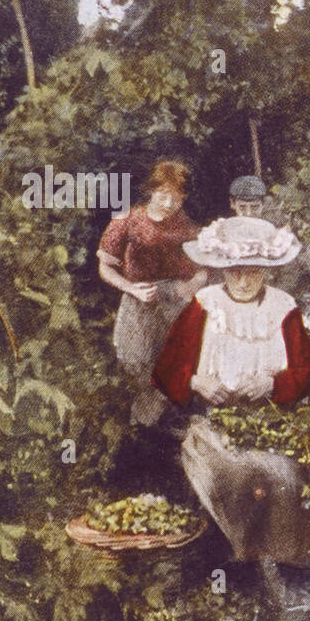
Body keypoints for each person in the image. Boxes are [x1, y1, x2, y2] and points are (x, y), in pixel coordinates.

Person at [151, 216, 310, 408]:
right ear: (223, 270)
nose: (243, 282)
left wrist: (272, 384)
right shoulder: (206, 303)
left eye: (253, 272)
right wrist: (196, 382)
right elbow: (164, 371)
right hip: (210, 412)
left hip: (272, 415)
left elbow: (308, 373)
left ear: (265, 271)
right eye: (235, 272)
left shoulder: (283, 306)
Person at [97, 159, 208, 426]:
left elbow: (206, 266)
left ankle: (176, 428)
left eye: (177, 197)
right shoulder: (127, 220)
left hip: (176, 303)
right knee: (136, 362)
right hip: (140, 300)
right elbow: (105, 267)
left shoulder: (186, 225)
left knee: (178, 363)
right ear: (151, 190)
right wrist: (131, 288)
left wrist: (194, 283)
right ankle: (144, 429)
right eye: (164, 195)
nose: (170, 204)